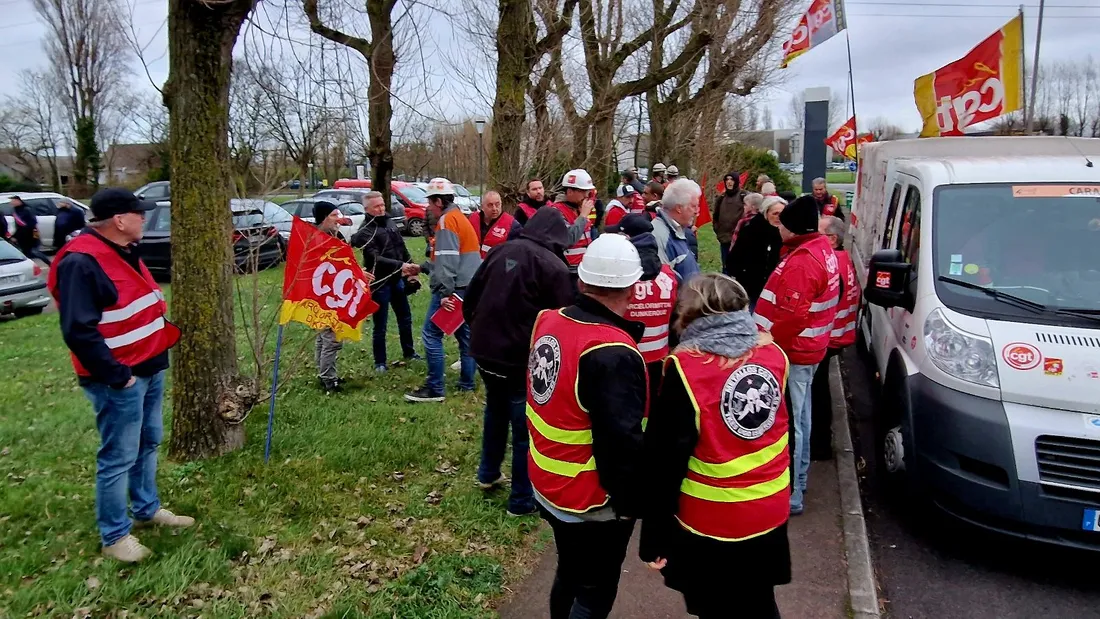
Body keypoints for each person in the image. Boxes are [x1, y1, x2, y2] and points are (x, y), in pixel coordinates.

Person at [47, 187, 190, 563]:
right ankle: (115, 535)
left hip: (149, 364)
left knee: (148, 442)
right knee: (118, 456)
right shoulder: (81, 262)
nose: (145, 219)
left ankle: (146, 508)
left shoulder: (125, 250)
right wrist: (117, 376)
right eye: (139, 213)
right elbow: (79, 329)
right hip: (119, 377)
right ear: (119, 220)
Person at [640, 273, 792, 619]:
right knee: (759, 600)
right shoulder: (774, 355)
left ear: (691, 316)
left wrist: (654, 537)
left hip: (712, 519)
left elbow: (665, 464)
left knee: (714, 607)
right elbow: (785, 432)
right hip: (769, 507)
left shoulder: (686, 369)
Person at [527, 233, 648, 619]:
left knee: (569, 571)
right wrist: (630, 505)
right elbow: (622, 443)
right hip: (590, 500)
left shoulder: (548, 321)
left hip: (546, 478)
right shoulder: (613, 351)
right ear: (632, 288)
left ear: (581, 280)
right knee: (595, 594)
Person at [465, 208, 576, 517]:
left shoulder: (501, 251)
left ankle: (487, 474)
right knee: (524, 428)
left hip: (484, 352)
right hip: (519, 358)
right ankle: (521, 501)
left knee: (495, 411)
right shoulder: (554, 268)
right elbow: (563, 319)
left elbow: (471, 297)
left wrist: (477, 331)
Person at [753, 195, 839, 515]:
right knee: (802, 416)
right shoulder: (819, 249)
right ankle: (797, 483)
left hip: (794, 353)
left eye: (782, 224)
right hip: (809, 350)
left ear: (792, 228)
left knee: (793, 423)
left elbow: (792, 317)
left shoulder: (802, 262)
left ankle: (793, 490)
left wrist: (767, 342)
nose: (778, 229)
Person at [406, 178, 482, 403]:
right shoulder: (458, 217)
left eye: (430, 201)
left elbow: (448, 262)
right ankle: (467, 383)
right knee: (465, 335)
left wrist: (445, 294)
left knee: (431, 334)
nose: (428, 207)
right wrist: (422, 267)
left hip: (454, 288)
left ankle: (435, 388)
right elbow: (448, 258)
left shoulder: (447, 222)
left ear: (438, 201)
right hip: (468, 286)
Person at [350, 191, 421, 374]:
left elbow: (401, 247)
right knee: (380, 325)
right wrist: (401, 265)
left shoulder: (390, 222)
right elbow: (376, 259)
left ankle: (409, 352)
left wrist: (410, 268)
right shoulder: (365, 232)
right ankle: (380, 362)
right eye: (377, 206)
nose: (381, 209)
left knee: (405, 318)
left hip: (397, 280)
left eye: (382, 205)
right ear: (367, 209)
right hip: (380, 283)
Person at [613, 213, 677, 405]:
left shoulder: (620, 275)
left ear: (627, 238)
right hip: (660, 359)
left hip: (623, 359)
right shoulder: (669, 275)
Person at [810, 215, 860, 460]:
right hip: (838, 334)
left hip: (826, 337)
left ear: (831, 238)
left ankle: (820, 444)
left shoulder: (831, 263)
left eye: (817, 233)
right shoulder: (843, 258)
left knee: (818, 393)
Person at [313, 200, 349, 393]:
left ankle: (323, 373)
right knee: (331, 337)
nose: (338, 219)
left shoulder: (333, 235)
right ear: (323, 218)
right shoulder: (318, 240)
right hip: (326, 295)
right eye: (334, 215)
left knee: (323, 335)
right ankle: (329, 379)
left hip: (332, 292)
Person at [728, 195, 786, 307]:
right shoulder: (751, 231)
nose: (779, 217)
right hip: (752, 289)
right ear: (766, 214)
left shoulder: (788, 234)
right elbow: (734, 259)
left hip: (778, 291)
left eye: (782, 214)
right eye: (775, 214)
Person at [651, 178, 701, 282]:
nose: (697, 211)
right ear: (679, 208)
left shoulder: (676, 229)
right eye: (694, 206)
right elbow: (661, 283)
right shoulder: (659, 236)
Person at [551, 169, 597, 281]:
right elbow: (569, 239)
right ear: (570, 191)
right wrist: (583, 216)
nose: (587, 195)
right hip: (569, 270)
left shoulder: (578, 208)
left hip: (584, 267)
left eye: (588, 191)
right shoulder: (556, 211)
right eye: (583, 191)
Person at [711, 171, 746, 275]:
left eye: (732, 179)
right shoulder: (721, 198)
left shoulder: (743, 196)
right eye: (727, 179)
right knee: (726, 267)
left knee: (739, 267)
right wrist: (718, 229)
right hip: (724, 238)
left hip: (739, 239)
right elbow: (715, 216)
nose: (729, 182)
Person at [469, 190, 521, 258]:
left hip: (496, 265)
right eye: (490, 205)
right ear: (482, 207)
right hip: (473, 264)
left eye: (497, 204)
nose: (494, 208)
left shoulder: (513, 225)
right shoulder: (470, 220)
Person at [10, 196, 51, 264]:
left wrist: (34, 236)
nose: (11, 203)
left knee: (35, 251)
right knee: (26, 253)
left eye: (13, 201)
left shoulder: (27, 210)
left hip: (31, 234)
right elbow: (18, 226)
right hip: (22, 236)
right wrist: (15, 236)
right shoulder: (16, 211)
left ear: (18, 201)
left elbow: (32, 223)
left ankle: (50, 264)